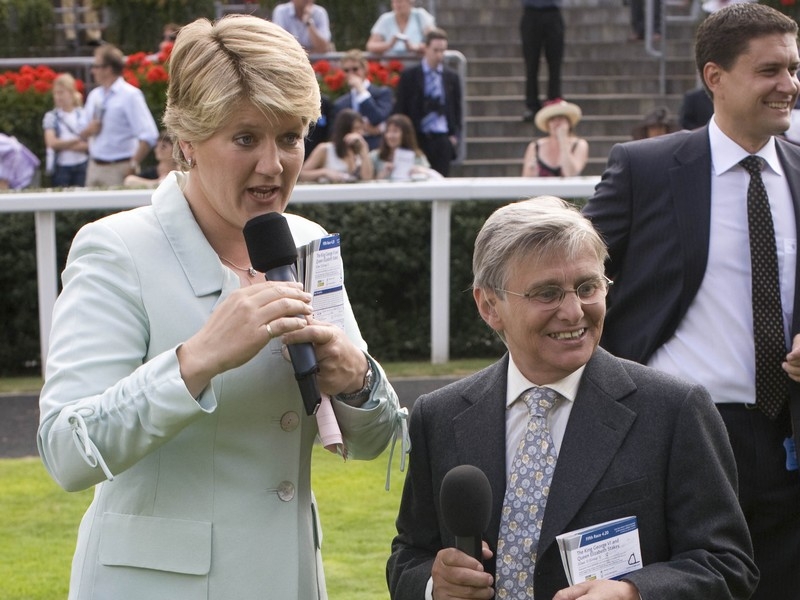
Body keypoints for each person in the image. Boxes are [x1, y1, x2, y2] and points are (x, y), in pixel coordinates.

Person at [37, 15, 405, 600]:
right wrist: (195, 361)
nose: (273, 164)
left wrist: (359, 382)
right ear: (187, 139)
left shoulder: (307, 239)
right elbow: (66, 451)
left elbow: (368, 443)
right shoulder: (116, 249)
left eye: (289, 137)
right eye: (245, 138)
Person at [387, 197, 758, 600]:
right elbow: (409, 556)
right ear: (490, 306)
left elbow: (728, 564)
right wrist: (433, 585)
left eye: (587, 287)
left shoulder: (673, 410)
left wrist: (634, 593)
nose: (573, 311)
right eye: (547, 293)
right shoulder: (439, 416)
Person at [582, 4, 800, 598]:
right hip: (677, 430)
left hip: (788, 435)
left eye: (794, 69)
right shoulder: (645, 167)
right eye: (770, 71)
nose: (789, 86)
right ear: (715, 78)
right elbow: (571, 268)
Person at [80, 44, 159, 187]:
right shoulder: (94, 95)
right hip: (94, 167)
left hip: (120, 167)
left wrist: (133, 164)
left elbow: (149, 135)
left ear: (108, 68)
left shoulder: (130, 95)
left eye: (96, 66)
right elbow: (81, 131)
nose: (93, 71)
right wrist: (88, 131)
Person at [393, 28, 462, 177]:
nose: (439, 55)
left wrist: (454, 136)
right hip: (417, 137)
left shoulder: (451, 77)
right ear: (426, 48)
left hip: (442, 137)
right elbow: (401, 106)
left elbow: (457, 108)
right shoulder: (410, 76)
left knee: (441, 179)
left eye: (442, 51)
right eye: (435, 50)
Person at [331, 49, 394, 151]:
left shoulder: (382, 93)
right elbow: (336, 132)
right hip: (349, 152)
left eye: (355, 69)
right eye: (346, 70)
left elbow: (377, 118)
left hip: (377, 149)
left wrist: (361, 91)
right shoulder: (340, 103)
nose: (351, 74)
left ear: (365, 68)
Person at [300, 108, 374, 183]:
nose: (360, 133)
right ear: (345, 129)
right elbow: (302, 175)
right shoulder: (325, 149)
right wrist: (324, 172)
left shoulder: (359, 152)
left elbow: (367, 178)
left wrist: (364, 150)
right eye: (357, 128)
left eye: (362, 129)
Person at [520, 0, 564, 122]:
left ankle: (554, 100)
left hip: (553, 12)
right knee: (531, 64)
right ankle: (532, 105)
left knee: (555, 62)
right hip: (531, 13)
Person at [42, 72, 88, 188]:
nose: (58, 97)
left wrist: (63, 145)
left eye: (61, 93)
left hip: (82, 165)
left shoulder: (82, 114)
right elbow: (51, 143)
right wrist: (76, 140)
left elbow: (89, 144)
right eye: (56, 93)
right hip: (61, 167)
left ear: (71, 93)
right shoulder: (51, 116)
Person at [521, 99, 588, 177]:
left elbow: (570, 173)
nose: (557, 123)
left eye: (561, 119)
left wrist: (563, 139)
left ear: (568, 123)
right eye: (552, 120)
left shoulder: (580, 145)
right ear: (547, 124)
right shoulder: (535, 146)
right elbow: (526, 178)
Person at [369, 113, 439, 180]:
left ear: (405, 134)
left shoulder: (418, 157)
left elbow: (429, 178)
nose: (390, 135)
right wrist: (382, 175)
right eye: (388, 131)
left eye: (395, 131)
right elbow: (368, 183)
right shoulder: (375, 157)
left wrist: (419, 172)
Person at [366, 0, 436, 57]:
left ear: (410, 2)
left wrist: (414, 47)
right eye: (394, 2)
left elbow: (434, 42)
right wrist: (390, 44)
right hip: (392, 68)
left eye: (400, 1)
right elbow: (370, 46)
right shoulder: (385, 19)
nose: (397, 5)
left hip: (416, 69)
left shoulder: (421, 16)